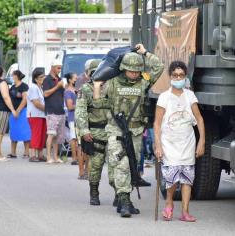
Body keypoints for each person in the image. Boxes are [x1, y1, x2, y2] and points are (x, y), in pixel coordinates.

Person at [93, 44, 164, 217]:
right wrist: (96, 89)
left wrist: (145, 52)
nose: (134, 74)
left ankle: (125, 198)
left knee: (132, 165)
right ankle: (124, 201)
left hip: (137, 131)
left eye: (137, 71)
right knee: (122, 164)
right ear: (124, 69)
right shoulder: (112, 83)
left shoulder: (144, 82)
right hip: (116, 130)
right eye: (131, 71)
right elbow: (98, 104)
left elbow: (159, 66)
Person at [153, 61, 205, 222]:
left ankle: (185, 211)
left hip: (187, 143)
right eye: (175, 75)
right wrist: (158, 145)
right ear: (170, 77)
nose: (178, 77)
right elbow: (157, 123)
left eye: (181, 75)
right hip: (169, 144)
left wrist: (201, 141)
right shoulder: (164, 97)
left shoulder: (190, 96)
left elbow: (199, 119)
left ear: (185, 77)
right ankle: (169, 203)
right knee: (172, 178)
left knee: (187, 179)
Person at [76, 59, 116, 205]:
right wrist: (84, 130)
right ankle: (94, 191)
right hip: (95, 132)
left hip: (113, 131)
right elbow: (80, 111)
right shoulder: (85, 89)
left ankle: (120, 193)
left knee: (116, 165)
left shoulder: (112, 87)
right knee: (95, 165)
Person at [43, 58, 66, 164]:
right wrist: (58, 86)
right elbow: (46, 94)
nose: (59, 70)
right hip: (51, 111)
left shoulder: (59, 79)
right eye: (58, 68)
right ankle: (48, 157)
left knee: (58, 136)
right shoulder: (47, 79)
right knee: (51, 134)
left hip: (60, 110)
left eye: (60, 68)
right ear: (52, 68)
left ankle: (56, 157)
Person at [8, 70, 31, 159]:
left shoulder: (24, 86)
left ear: (16, 76)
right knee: (13, 132)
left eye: (12, 75)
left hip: (23, 111)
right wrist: (13, 110)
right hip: (13, 112)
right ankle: (13, 152)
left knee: (25, 132)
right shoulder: (13, 87)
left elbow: (25, 99)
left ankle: (26, 153)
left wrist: (18, 110)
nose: (12, 77)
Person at [27, 68, 47, 162]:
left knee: (42, 135)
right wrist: (48, 109)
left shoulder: (41, 88)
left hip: (42, 115)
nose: (43, 78)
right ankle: (32, 155)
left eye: (44, 76)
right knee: (36, 134)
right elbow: (36, 103)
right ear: (36, 79)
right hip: (34, 114)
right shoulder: (33, 87)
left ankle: (40, 154)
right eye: (41, 77)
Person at [64, 72, 79, 165]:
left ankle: (78, 157)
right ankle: (74, 158)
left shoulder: (75, 90)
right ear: (70, 80)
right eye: (75, 78)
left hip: (77, 117)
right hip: (72, 118)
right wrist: (80, 105)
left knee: (78, 138)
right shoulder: (68, 92)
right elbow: (69, 107)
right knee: (73, 138)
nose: (76, 79)